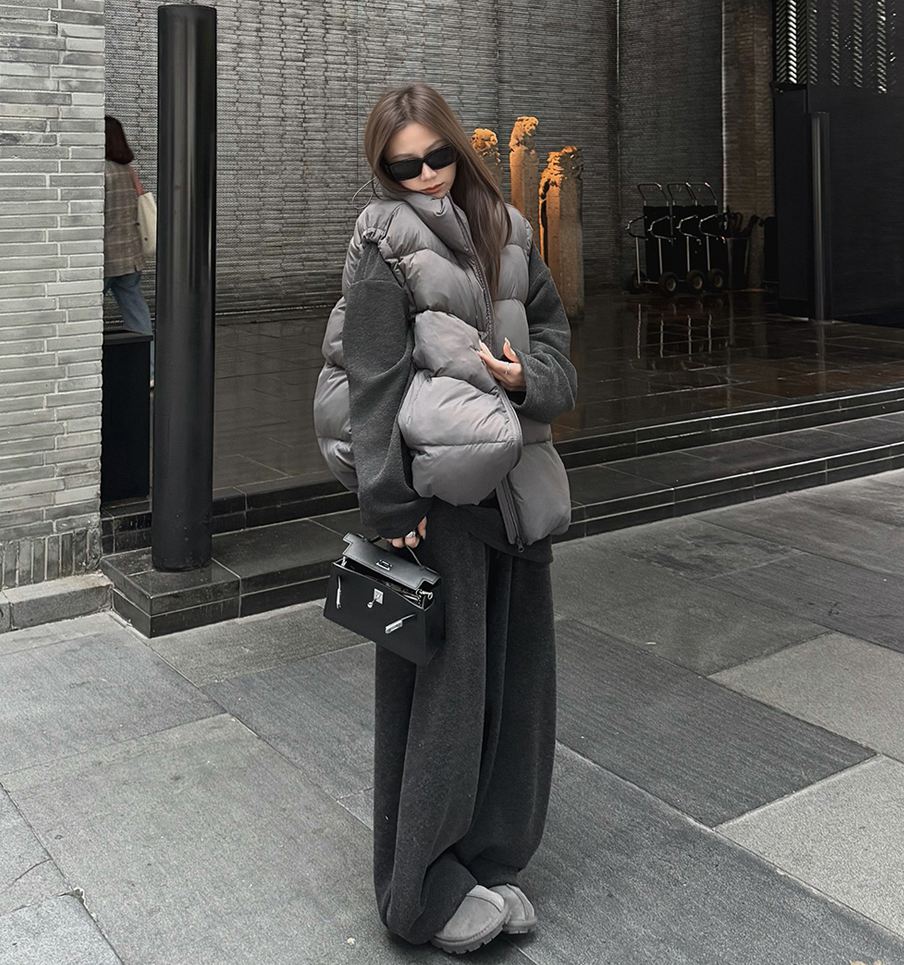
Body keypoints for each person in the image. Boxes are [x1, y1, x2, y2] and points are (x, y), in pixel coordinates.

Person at [313, 83, 577, 954]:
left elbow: (557, 345)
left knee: (517, 692)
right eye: (404, 166)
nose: (425, 176)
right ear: (383, 172)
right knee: (443, 702)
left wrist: (526, 379)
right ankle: (420, 892)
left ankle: (490, 861)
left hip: (517, 492)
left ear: (459, 151)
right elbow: (369, 377)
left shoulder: (511, 231)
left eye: (437, 157)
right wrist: (388, 503)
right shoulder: (383, 240)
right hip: (436, 508)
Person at [104, 115, 154, 376]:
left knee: (81, 313)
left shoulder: (100, 172)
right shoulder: (128, 171)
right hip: (131, 257)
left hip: (105, 259)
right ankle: (149, 369)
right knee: (136, 314)